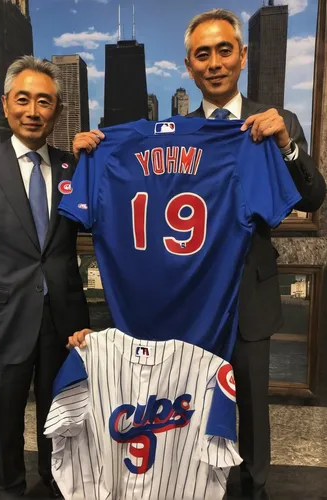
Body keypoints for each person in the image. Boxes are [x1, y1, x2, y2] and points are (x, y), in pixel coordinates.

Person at [69, 9, 326, 500]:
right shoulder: (176, 130)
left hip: (247, 298)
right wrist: (94, 152)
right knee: (183, 413)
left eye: (223, 50)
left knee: (250, 417)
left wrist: (286, 145)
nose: (214, 63)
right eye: (202, 55)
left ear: (242, 55)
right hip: (187, 299)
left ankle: (253, 492)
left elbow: (313, 198)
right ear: (189, 66)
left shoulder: (276, 120)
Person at [0, 55, 103, 498]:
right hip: (0, 322)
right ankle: (9, 490)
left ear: (57, 110)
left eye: (45, 102)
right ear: (6, 104)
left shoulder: (74, 168)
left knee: (62, 420)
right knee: (5, 423)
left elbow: (106, 223)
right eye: (24, 100)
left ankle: (58, 485)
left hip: (64, 323)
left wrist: (98, 157)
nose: (33, 111)